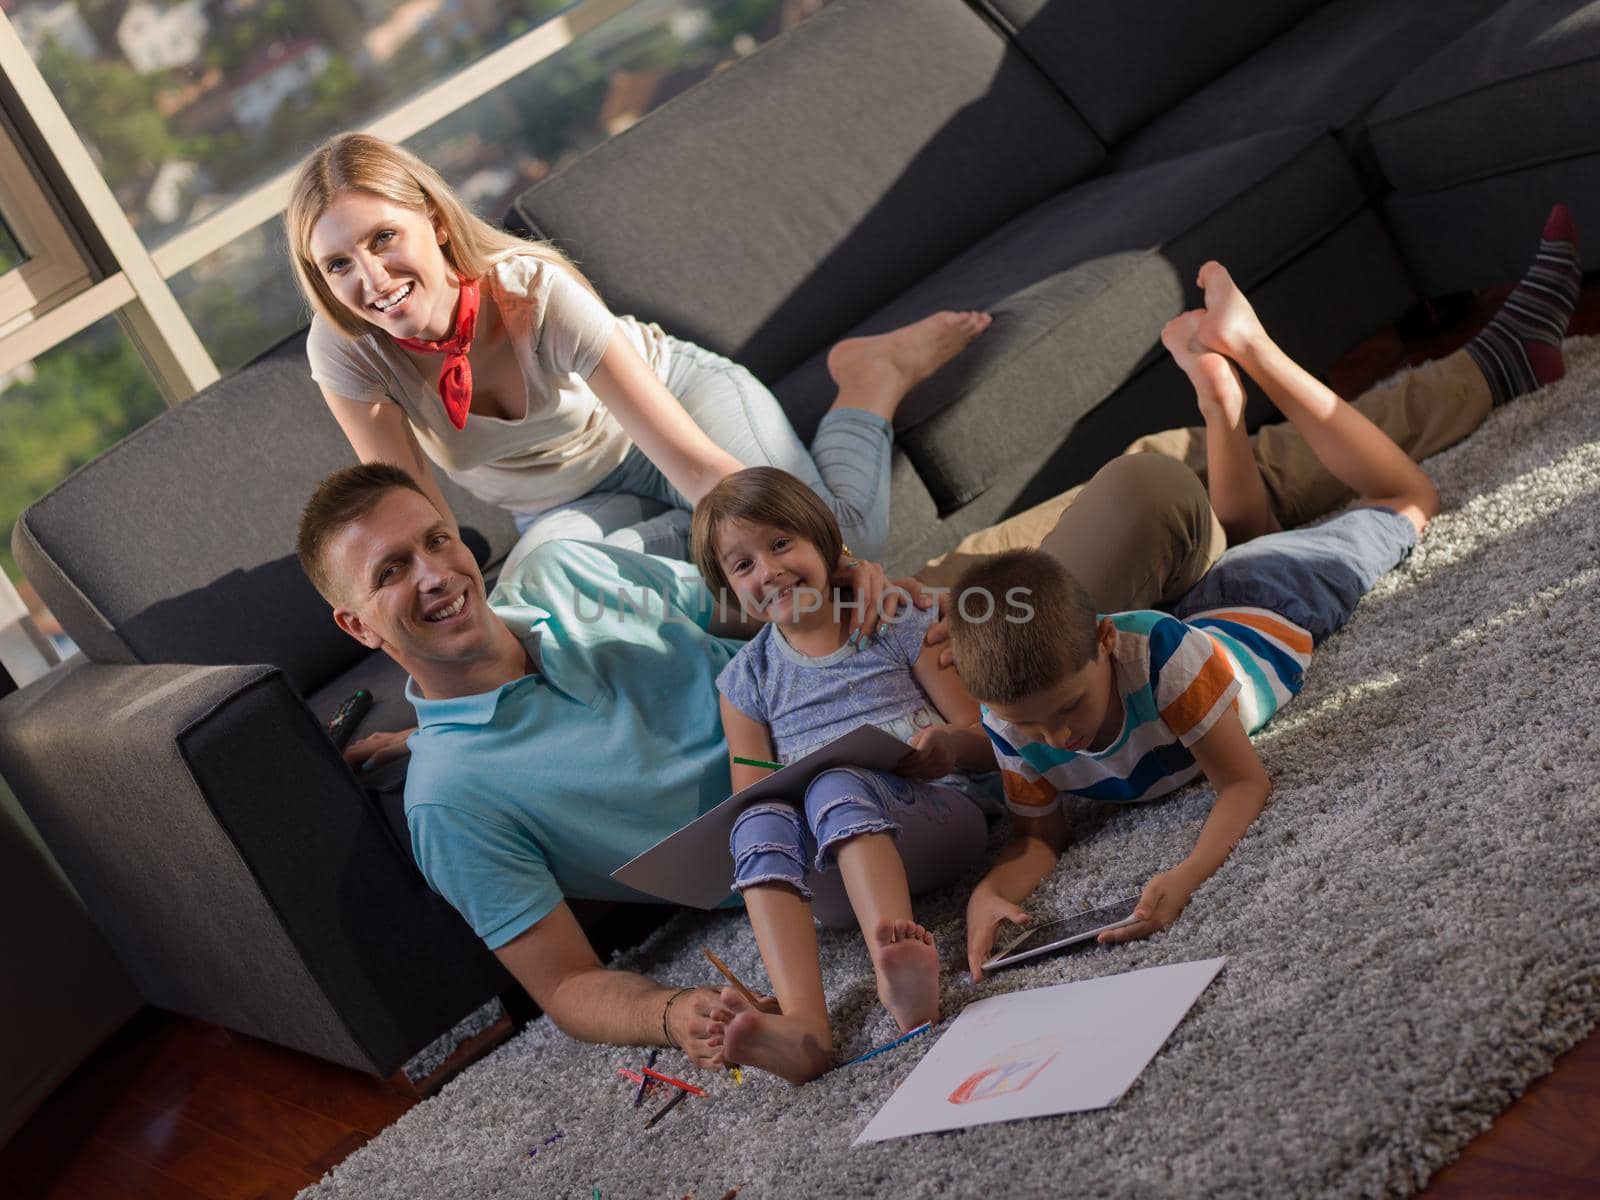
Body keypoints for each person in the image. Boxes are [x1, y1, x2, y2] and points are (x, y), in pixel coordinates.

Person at [949, 260, 1447, 981]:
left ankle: (1253, 349)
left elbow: (1244, 785)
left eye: (1066, 709)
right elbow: (1038, 836)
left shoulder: (1159, 655)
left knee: (1407, 498)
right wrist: (990, 895)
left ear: (1104, 638)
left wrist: (1187, 875)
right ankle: (1219, 406)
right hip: (1194, 623)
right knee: (1244, 537)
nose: (1055, 738)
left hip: (1264, 606)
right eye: (1030, 728)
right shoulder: (1012, 715)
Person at [287, 131, 990, 576]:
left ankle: (871, 379)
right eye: (338, 264)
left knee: (841, 544)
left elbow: (691, 463)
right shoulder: (349, 350)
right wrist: (438, 696)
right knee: (542, 596)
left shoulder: (534, 294)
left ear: (435, 222)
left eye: (383, 238)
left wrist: (811, 561)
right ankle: (702, 534)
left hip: (673, 416)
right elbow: (416, 526)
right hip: (564, 501)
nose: (371, 280)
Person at [691, 468, 1000, 1083]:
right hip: (833, 880)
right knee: (755, 819)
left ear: (824, 542)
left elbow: (988, 740)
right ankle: (804, 1027)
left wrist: (948, 747)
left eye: (782, 544)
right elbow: (751, 790)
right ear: (729, 588)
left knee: (837, 782)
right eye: (743, 564)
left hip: (941, 815)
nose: (769, 571)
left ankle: (896, 962)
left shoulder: (891, 618)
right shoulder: (745, 681)